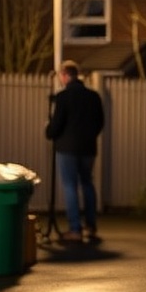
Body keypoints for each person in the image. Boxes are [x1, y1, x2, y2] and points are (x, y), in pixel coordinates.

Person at [45, 60, 105, 242]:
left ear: (64, 75)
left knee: (70, 186)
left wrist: (48, 131)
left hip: (67, 148)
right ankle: (91, 226)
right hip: (88, 148)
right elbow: (100, 122)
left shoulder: (63, 97)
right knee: (87, 183)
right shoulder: (94, 96)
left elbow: (56, 125)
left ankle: (75, 229)